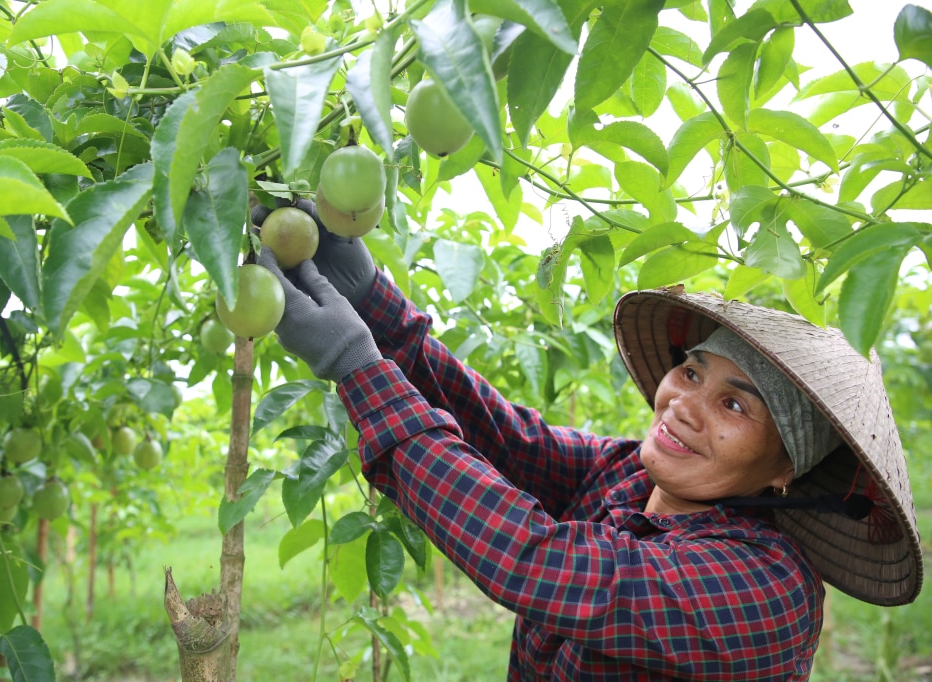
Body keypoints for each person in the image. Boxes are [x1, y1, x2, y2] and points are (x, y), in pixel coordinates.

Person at [251, 200, 923, 681]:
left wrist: (358, 366)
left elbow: (532, 560)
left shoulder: (761, 588)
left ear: (784, 470)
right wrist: (375, 304)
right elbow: (506, 439)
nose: (683, 405)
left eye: (733, 405)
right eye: (689, 371)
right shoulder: (630, 475)